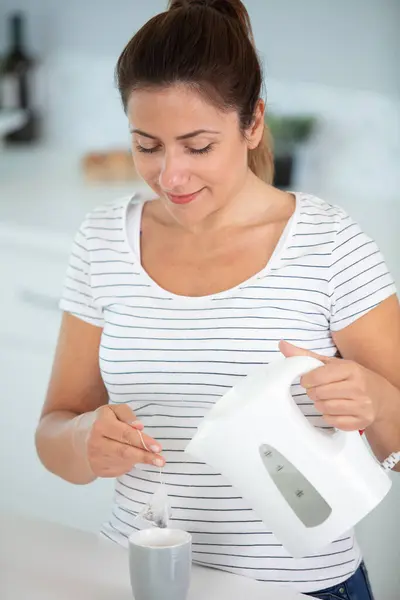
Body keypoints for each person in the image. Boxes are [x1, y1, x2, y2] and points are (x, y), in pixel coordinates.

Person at [35, 1, 400, 598]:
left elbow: (397, 451)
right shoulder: (104, 241)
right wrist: (82, 442)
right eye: (147, 146)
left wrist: (379, 402)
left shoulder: (330, 244)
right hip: (140, 575)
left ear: (252, 122)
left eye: (197, 146)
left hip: (299, 587)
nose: (170, 175)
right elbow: (54, 433)